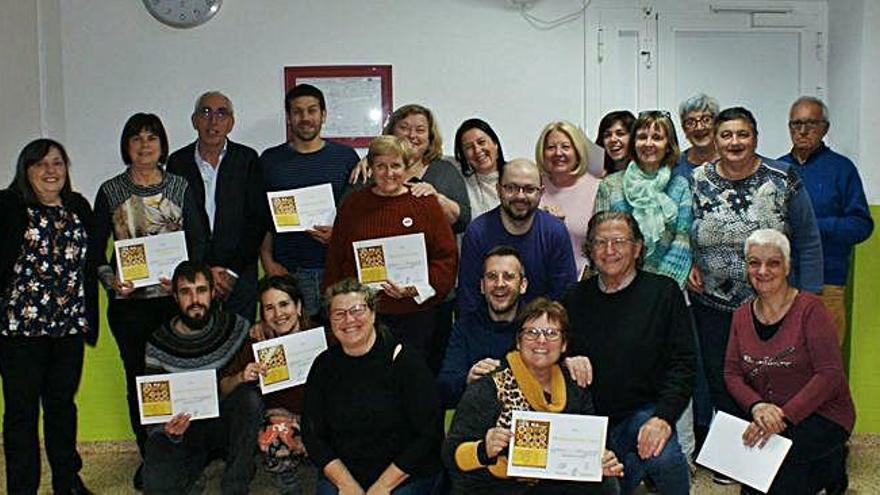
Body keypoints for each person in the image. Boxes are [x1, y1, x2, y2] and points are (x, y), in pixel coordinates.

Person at [689, 107, 823, 460]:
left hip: (773, 306)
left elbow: (808, 239)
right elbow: (686, 230)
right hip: (713, 303)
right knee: (722, 379)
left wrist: (809, 298)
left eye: (742, 134)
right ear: (716, 140)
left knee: (775, 377)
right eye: (726, 135)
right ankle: (738, 455)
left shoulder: (783, 178)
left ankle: (778, 450)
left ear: (756, 138)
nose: (734, 142)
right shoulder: (697, 178)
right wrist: (692, 261)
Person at [92, 112, 207, 489]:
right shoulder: (110, 191)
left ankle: (182, 455)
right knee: (140, 381)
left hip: (175, 304)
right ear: (126, 145)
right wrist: (113, 282)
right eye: (136, 138)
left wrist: (184, 279)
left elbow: (198, 242)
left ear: (162, 144)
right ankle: (150, 456)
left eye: (152, 137)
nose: (144, 145)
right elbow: (95, 254)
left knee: (180, 379)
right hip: (130, 306)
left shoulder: (179, 185)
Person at [563, 211, 695, 495]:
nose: (609, 251)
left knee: (663, 455)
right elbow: (545, 353)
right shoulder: (573, 298)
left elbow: (683, 365)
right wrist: (566, 360)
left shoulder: (664, 293)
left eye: (619, 242)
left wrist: (663, 418)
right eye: (600, 242)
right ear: (590, 250)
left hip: (642, 414)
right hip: (588, 422)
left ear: (637, 248)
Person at [444, 297, 624, 494]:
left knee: (607, 485)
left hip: (552, 485)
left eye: (551, 333)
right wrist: (483, 449)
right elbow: (450, 455)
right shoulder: (489, 386)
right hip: (495, 486)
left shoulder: (575, 387)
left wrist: (602, 460)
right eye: (531, 333)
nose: (541, 340)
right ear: (518, 342)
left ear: (564, 345)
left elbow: (591, 447)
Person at [725, 229, 855, 494]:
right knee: (752, 484)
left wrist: (783, 416)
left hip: (823, 414)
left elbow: (829, 375)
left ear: (787, 266)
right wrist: (757, 406)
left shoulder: (811, 310)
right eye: (754, 263)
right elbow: (732, 373)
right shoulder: (740, 315)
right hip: (768, 416)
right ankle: (827, 467)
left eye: (773, 262)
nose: (762, 271)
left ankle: (831, 466)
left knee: (780, 483)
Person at [0, 139, 97, 494]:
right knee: (21, 415)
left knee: (61, 408)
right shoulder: (8, 206)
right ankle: (22, 488)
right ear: (25, 170)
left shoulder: (78, 207)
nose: (50, 170)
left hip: (68, 328)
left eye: (57, 162)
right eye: (40, 164)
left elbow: (93, 262)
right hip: (19, 332)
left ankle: (67, 481)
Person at [302, 279, 444, 494]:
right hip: (345, 474)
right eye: (339, 314)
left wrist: (382, 487)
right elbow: (313, 434)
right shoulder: (323, 365)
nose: (349, 320)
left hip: (405, 473)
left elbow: (428, 434)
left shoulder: (405, 360)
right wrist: (346, 484)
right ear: (330, 320)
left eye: (357, 310)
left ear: (373, 313)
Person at [322, 135, 457, 359]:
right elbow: (336, 260)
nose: (389, 173)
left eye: (396, 165)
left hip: (418, 317)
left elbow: (446, 258)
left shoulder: (426, 204)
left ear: (407, 167)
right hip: (364, 318)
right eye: (381, 166)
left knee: (415, 381)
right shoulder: (353, 205)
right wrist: (338, 307)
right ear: (371, 168)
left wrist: (417, 287)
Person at [142, 262, 261, 494]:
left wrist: (261, 329)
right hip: (184, 430)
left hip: (225, 424)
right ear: (175, 297)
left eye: (202, 290)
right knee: (156, 483)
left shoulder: (236, 328)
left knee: (250, 399)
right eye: (186, 292)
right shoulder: (157, 344)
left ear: (213, 293)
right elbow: (153, 411)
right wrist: (167, 429)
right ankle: (192, 472)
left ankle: (235, 485)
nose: (195, 300)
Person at [437, 246, 592, 408]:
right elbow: (444, 389)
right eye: (492, 277)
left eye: (508, 277)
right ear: (482, 286)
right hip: (484, 420)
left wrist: (572, 362)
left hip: (536, 419)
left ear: (523, 285)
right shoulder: (466, 327)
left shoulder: (540, 322)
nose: (500, 284)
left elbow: (563, 362)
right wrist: (467, 379)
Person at [778, 96, 874, 343]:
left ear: (825, 128)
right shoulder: (776, 170)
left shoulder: (842, 169)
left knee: (824, 361)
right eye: (795, 124)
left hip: (827, 283)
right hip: (780, 284)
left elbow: (862, 225)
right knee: (781, 361)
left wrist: (814, 227)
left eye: (810, 124)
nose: (802, 131)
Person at [260, 83, 359, 318]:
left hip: (337, 269)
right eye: (297, 111)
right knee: (298, 342)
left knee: (339, 338)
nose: (305, 118)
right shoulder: (270, 160)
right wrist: (267, 261)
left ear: (323, 115)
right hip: (289, 271)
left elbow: (358, 213)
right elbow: (262, 217)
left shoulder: (345, 157)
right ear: (288, 118)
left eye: (312, 110)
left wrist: (339, 235)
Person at [167, 90, 266, 322]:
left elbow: (257, 219)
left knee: (240, 344)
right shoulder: (177, 162)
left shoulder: (247, 159)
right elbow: (173, 222)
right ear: (194, 120)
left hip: (239, 273)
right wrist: (202, 271)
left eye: (222, 114)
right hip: (192, 277)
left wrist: (231, 271)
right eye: (206, 112)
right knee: (197, 344)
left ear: (231, 123)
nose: (213, 121)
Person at [222, 274, 321, 494]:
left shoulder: (321, 336)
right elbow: (223, 387)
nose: (278, 314)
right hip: (281, 420)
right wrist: (241, 376)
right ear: (263, 314)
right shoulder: (257, 342)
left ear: (298, 306)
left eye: (284, 304)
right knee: (274, 432)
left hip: (319, 416)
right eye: (269, 308)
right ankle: (288, 482)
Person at [458, 158, 577, 318]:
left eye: (529, 189)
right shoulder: (477, 232)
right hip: (488, 329)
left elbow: (563, 297)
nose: (520, 196)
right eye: (511, 188)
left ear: (541, 193)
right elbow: (469, 298)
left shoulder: (555, 232)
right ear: (498, 190)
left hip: (540, 330)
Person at [593, 110, 692, 288]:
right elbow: (599, 240)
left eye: (656, 137)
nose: (648, 143)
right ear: (633, 143)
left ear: (668, 145)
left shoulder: (680, 186)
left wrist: (660, 289)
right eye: (641, 137)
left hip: (666, 290)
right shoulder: (610, 186)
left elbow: (682, 241)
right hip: (618, 287)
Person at [536, 121, 605, 276]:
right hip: (539, 282)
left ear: (577, 151)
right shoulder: (532, 187)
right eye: (551, 147)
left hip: (584, 283)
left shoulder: (599, 188)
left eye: (565, 147)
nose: (558, 153)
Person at [454, 118, 507, 218]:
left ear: (495, 144)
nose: (477, 150)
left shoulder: (515, 175)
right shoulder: (460, 180)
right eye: (469, 147)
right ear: (463, 155)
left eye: (481, 142)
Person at [673, 93, 720, 179]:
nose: (699, 127)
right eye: (690, 122)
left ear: (717, 123)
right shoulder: (675, 166)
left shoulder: (731, 161)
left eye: (706, 120)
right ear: (684, 129)